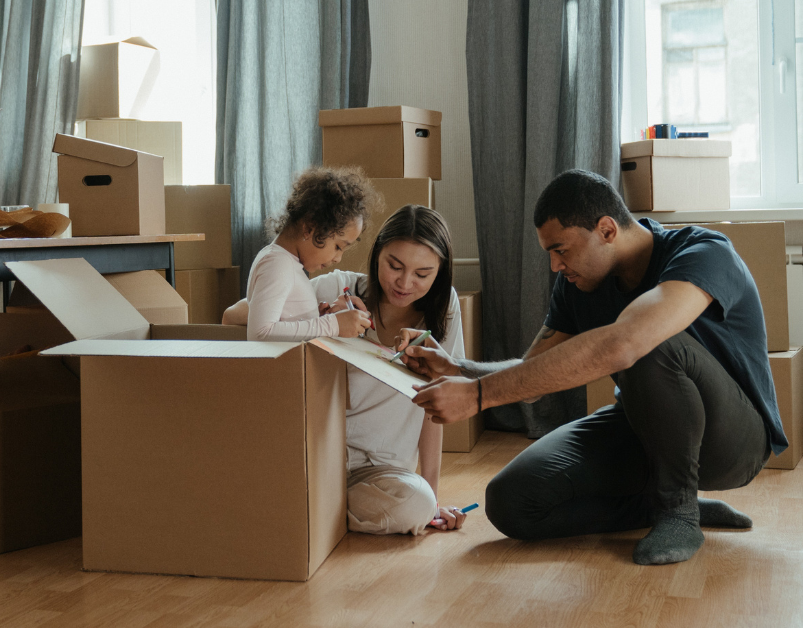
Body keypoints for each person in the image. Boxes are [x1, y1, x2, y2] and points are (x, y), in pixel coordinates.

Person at [396, 169, 785, 565]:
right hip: (642, 428)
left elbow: (627, 343)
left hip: (734, 442)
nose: (554, 265)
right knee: (511, 501)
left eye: (561, 250)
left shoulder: (704, 252)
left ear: (607, 230)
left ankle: (678, 512)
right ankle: (655, 506)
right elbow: (534, 374)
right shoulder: (577, 284)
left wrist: (478, 397)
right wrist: (459, 369)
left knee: (648, 340)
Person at [227, 204, 470, 534]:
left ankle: (306, 508)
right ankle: (310, 506)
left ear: (439, 273)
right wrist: (322, 320)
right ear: (377, 255)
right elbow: (234, 316)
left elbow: (435, 406)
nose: (404, 282)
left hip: (382, 471)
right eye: (394, 266)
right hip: (318, 455)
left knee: (418, 505)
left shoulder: (445, 311)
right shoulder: (337, 287)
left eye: (422, 274)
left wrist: (433, 497)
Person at [243, 166, 374, 342]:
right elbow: (260, 333)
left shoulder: (286, 263)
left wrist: (314, 320)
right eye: (338, 247)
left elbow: (284, 325)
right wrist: (332, 324)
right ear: (309, 227)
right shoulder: (277, 264)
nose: (338, 258)